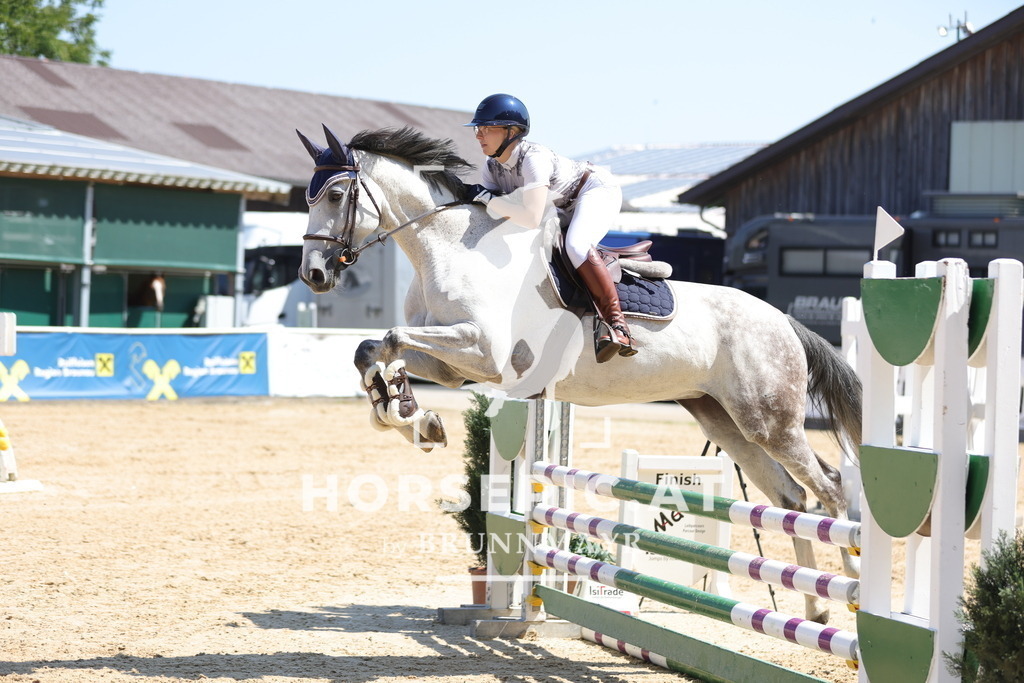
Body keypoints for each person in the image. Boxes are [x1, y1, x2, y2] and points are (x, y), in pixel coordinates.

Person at [460, 93, 635, 362]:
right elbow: (497, 216)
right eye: (478, 128)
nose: (479, 135)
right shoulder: (492, 167)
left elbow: (529, 217)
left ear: (512, 131)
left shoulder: (533, 158)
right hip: (557, 208)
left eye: (487, 128)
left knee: (576, 246)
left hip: (592, 191)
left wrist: (486, 198)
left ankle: (617, 324)